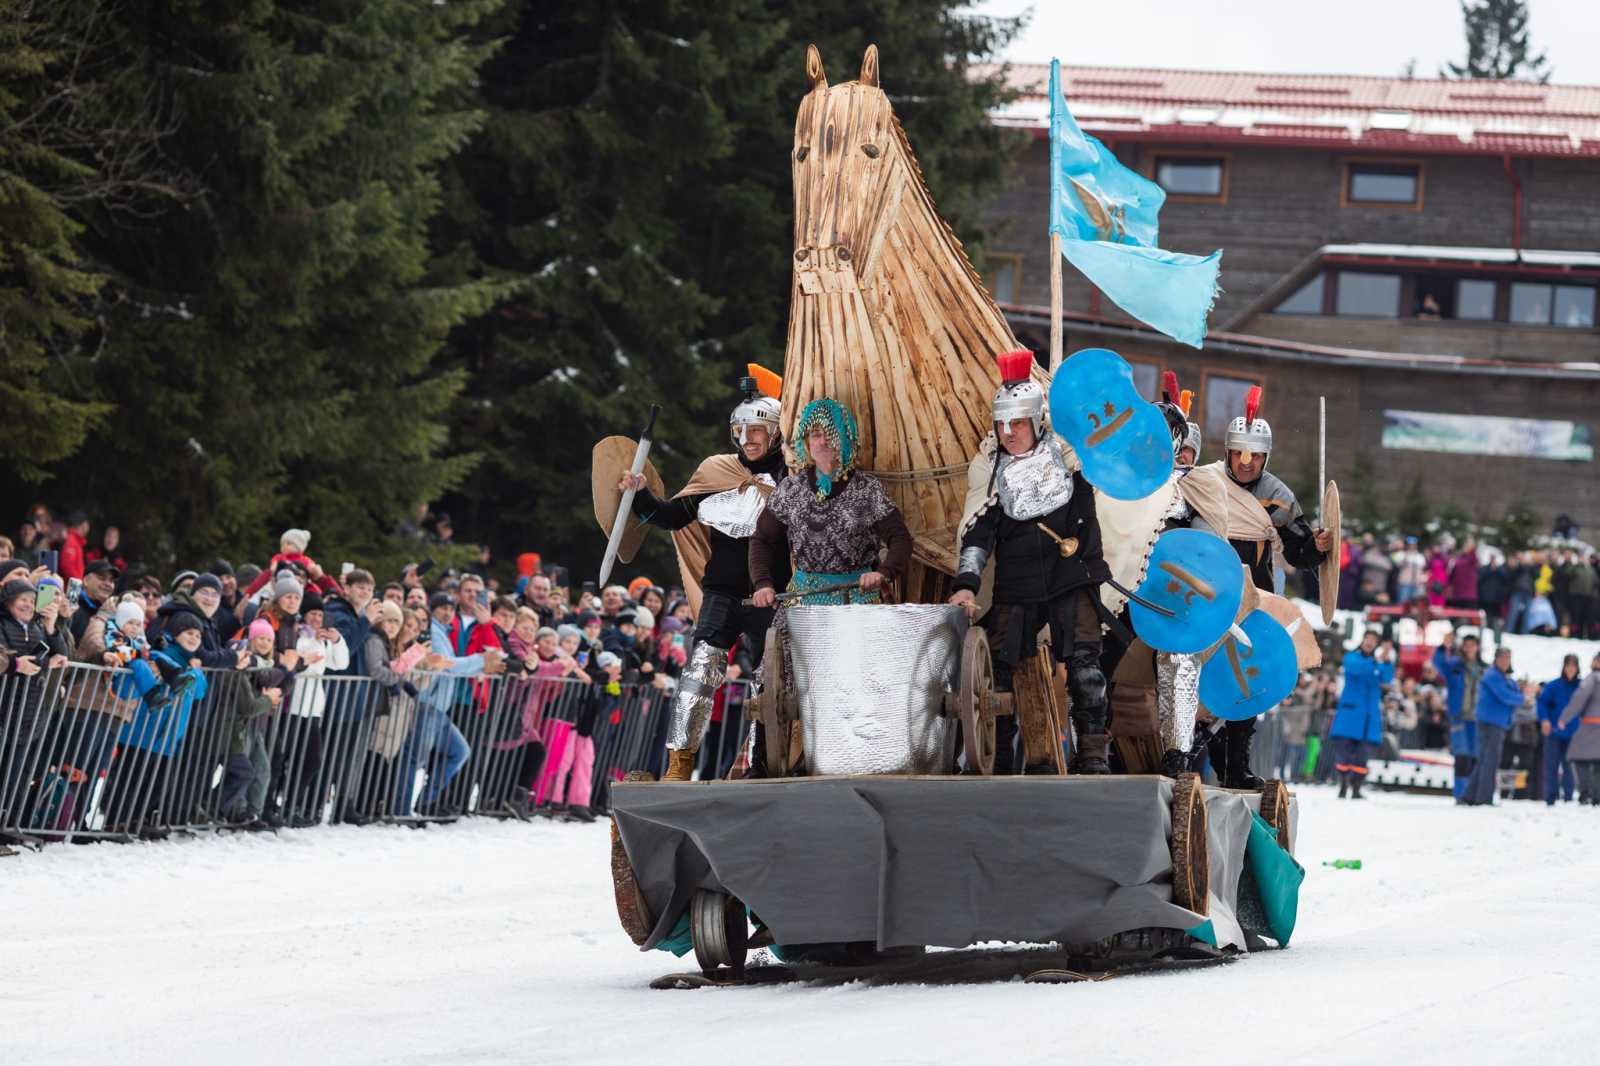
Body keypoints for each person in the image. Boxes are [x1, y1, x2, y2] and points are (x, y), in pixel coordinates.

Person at [617, 374, 791, 781]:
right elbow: (670, 516)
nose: (747, 439)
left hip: (774, 594)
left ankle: (760, 763)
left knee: (770, 681)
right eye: (740, 431)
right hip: (723, 591)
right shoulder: (717, 471)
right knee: (700, 667)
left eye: (757, 431)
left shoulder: (792, 477)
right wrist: (640, 494)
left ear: (776, 433)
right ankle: (679, 762)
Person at [949, 350, 1110, 774]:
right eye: (1002, 423)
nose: (1008, 432)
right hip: (1016, 584)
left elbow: (1089, 519)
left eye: (1017, 422)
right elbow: (978, 531)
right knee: (999, 669)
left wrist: (1081, 552)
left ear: (1037, 421)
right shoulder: (990, 468)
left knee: (1085, 670)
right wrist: (966, 581)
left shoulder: (1070, 460)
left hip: (1069, 577)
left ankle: (1093, 758)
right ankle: (997, 759)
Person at [1202, 387, 1332, 789]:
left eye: (1255, 455)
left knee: (1245, 684)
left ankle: (1235, 766)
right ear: (1228, 452)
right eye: (1240, 453)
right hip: (1205, 597)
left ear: (1265, 457)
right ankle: (1186, 758)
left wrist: (1318, 545)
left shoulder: (1277, 495)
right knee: (1196, 682)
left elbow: (1298, 551)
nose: (1246, 462)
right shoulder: (1203, 484)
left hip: (1252, 601)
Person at [1330, 632, 1395, 799]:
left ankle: (1357, 788)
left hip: (1369, 718)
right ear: (1362, 640)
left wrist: (1387, 660)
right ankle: (1343, 785)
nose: (1370, 643)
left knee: (1362, 756)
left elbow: (1387, 677)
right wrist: (1376, 661)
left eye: (1374, 641)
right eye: (1368, 639)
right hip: (1350, 716)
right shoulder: (1352, 657)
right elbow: (1356, 669)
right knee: (1344, 753)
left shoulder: (1377, 664)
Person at [1462, 646, 1528, 806]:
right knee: (1490, 761)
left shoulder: (1502, 677)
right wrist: (1522, 697)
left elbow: (1512, 690)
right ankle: (1483, 798)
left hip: (1496, 723)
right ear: (1496, 659)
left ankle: (1470, 796)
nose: (1506, 662)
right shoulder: (1492, 675)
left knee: (1485, 760)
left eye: (1508, 658)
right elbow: (1506, 696)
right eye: (1503, 658)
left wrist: (1520, 693)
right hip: (1490, 723)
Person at [1432, 631, 1483, 801]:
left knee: (1476, 755)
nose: (1469, 648)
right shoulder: (1454, 665)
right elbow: (1438, 663)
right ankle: (1461, 793)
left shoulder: (1485, 668)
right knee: (1462, 754)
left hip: (1478, 718)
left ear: (1478, 647)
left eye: (1472, 645)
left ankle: (1474, 793)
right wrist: (1442, 647)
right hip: (1459, 717)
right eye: (1466, 644)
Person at [1537, 654, 1583, 805]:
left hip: (1574, 733)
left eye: (1573, 666)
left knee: (1569, 766)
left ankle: (1568, 796)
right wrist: (1544, 720)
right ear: (1563, 667)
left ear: (1577, 668)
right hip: (1554, 732)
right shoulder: (1553, 686)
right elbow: (1542, 703)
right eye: (1568, 665)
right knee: (1551, 765)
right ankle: (1551, 797)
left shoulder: (1582, 687)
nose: (1570, 669)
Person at [1557, 653, 1600, 805]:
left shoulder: (1593, 678)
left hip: (1591, 726)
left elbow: (1578, 699)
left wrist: (1564, 718)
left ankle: (1586, 793)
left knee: (1577, 757)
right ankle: (1596, 795)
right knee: (1597, 762)